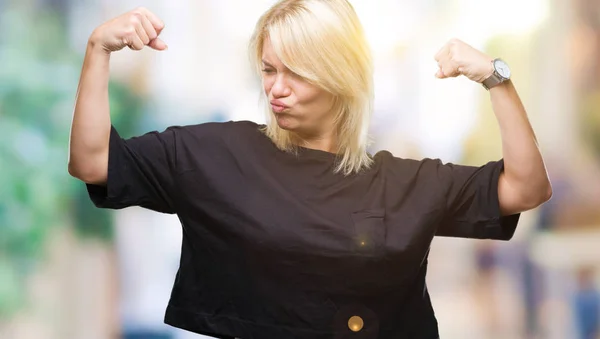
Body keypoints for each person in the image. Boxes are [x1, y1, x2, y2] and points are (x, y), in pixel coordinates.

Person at [68, 1, 552, 338]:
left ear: (339, 75)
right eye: (268, 69)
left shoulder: (403, 183)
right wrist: (98, 51)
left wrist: (495, 78)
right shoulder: (220, 155)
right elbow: (94, 162)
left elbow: (527, 188)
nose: (276, 88)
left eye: (296, 72)